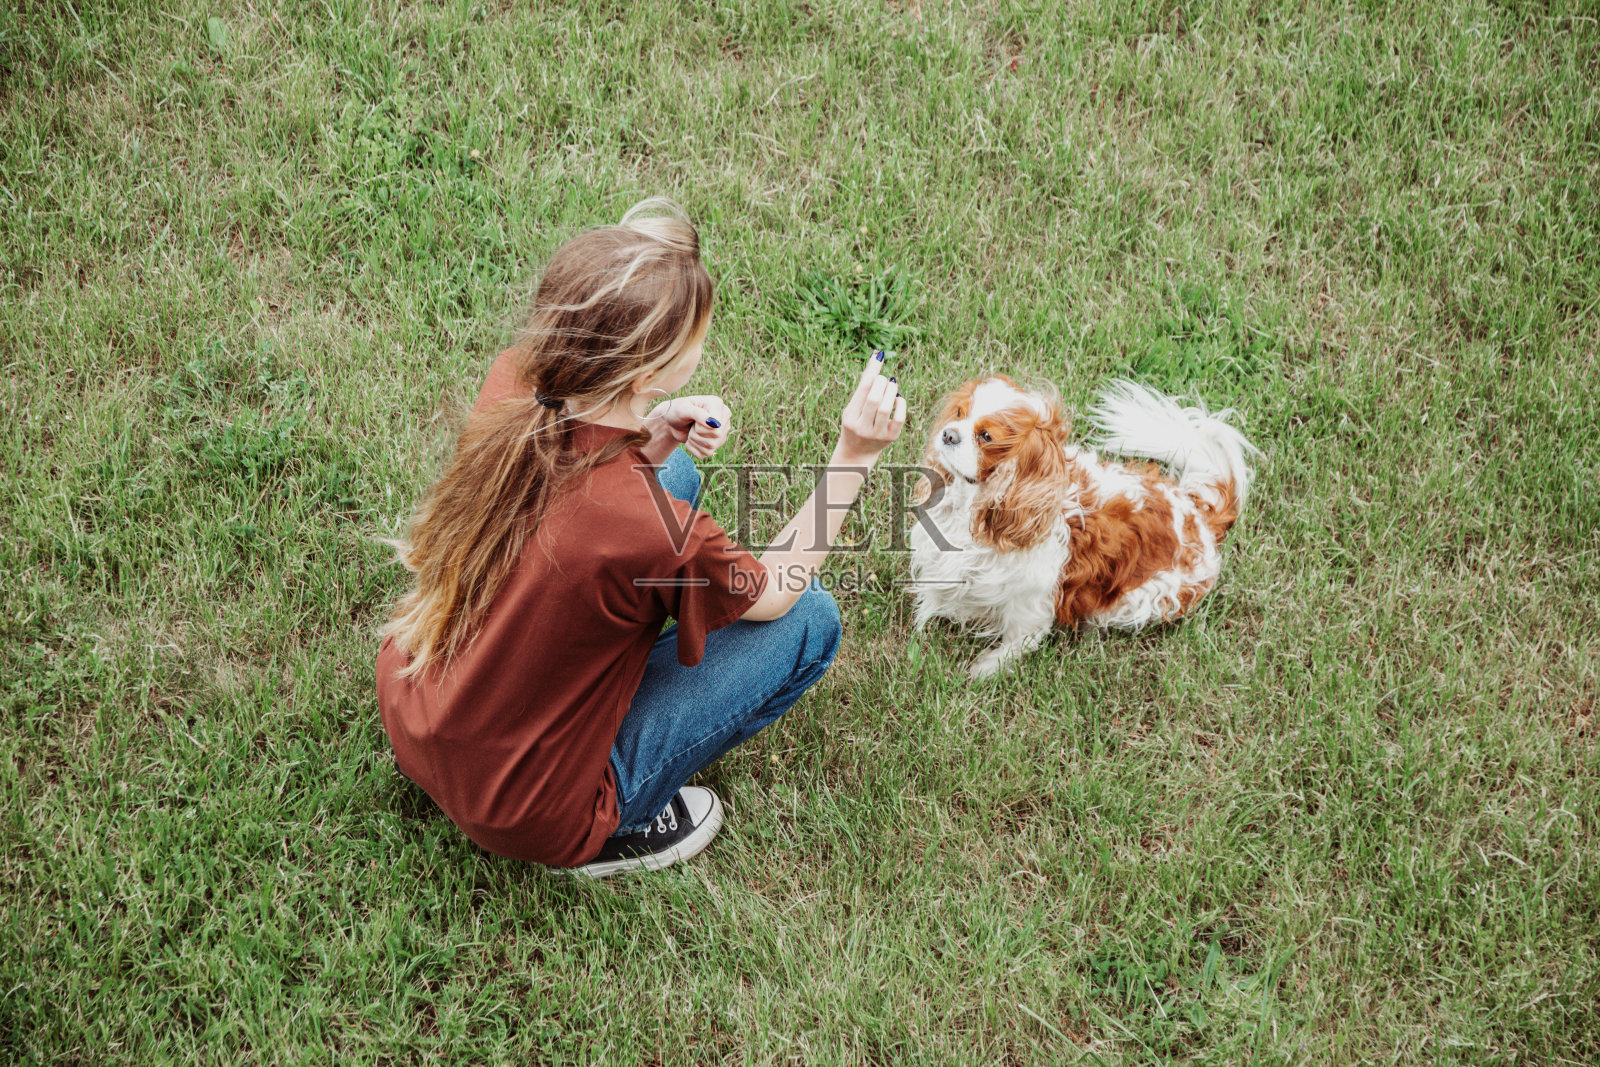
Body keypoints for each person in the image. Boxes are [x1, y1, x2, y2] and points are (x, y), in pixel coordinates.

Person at [376, 199, 907, 877]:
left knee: (674, 467)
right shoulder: (645, 527)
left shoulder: (517, 378)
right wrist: (854, 454)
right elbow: (773, 595)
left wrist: (649, 434)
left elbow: (572, 499)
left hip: (416, 707)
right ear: (646, 372)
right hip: (525, 808)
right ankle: (607, 836)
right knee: (810, 619)